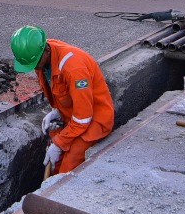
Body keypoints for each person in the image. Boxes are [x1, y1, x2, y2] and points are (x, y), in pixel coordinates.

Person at [10, 26, 114, 175]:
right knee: (54, 161)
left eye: (35, 64)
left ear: (45, 51)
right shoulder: (41, 55)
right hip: (71, 116)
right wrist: (56, 112)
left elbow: (84, 117)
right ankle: (47, 188)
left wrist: (59, 143)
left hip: (93, 120)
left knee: (68, 166)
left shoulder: (74, 69)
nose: (35, 68)